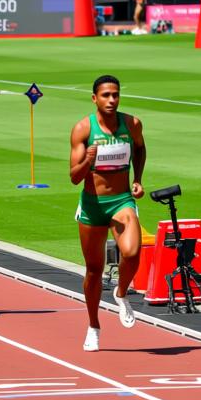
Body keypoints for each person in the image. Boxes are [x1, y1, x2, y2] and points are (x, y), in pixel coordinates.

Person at [69, 74, 146, 352]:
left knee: (133, 253)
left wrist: (138, 178)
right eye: (105, 95)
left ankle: (121, 292)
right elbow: (73, 177)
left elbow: (140, 148)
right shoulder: (82, 129)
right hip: (92, 204)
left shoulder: (132, 124)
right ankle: (93, 325)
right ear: (94, 98)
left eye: (115, 94)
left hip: (121, 200)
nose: (111, 100)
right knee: (93, 270)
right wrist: (88, 160)